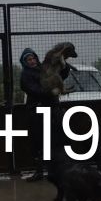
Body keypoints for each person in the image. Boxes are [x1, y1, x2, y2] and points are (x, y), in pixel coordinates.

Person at [18, 46, 68, 181]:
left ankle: (56, 169)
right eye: (29, 59)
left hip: (52, 109)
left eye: (33, 58)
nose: (32, 61)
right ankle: (39, 171)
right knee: (40, 142)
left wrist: (64, 65)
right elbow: (34, 90)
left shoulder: (43, 69)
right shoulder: (25, 75)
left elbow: (60, 76)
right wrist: (50, 92)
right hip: (38, 111)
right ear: (25, 62)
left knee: (55, 140)